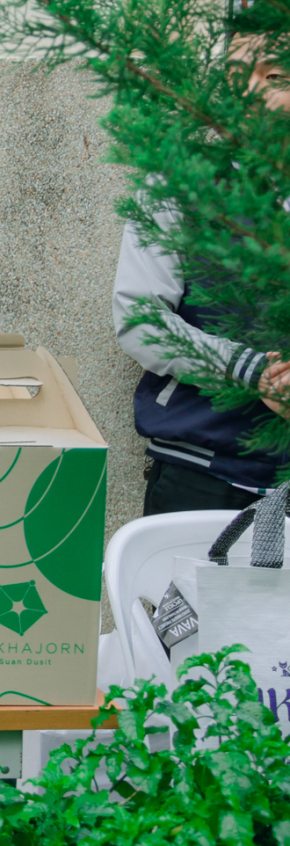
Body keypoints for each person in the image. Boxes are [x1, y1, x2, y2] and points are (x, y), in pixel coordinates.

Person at [114, 36, 288, 514]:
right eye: (235, 77)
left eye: (274, 76)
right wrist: (252, 372)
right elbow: (141, 321)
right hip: (203, 473)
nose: (249, 92)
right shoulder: (177, 185)